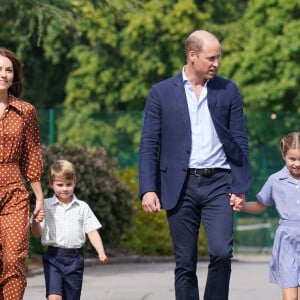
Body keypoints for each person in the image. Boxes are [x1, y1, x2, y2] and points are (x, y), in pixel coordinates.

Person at [138, 30, 252, 300]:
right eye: (211, 58)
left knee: (222, 253)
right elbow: (149, 144)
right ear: (192, 56)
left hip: (219, 183)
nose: (217, 63)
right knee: (185, 262)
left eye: (218, 57)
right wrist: (148, 189)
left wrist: (240, 186)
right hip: (180, 185)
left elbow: (239, 141)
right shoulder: (161, 93)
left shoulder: (228, 90)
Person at [0, 48, 44, 299]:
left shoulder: (25, 111)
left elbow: (32, 155)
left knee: (14, 260)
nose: (4, 74)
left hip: (14, 194)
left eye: (8, 70)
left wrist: (38, 197)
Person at [31, 159, 108, 300]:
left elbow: (92, 231)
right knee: (54, 297)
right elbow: (37, 233)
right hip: (53, 257)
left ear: (74, 183)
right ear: (51, 184)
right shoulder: (45, 206)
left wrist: (101, 252)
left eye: (68, 184)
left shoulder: (82, 207)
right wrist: (36, 220)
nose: (64, 188)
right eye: (60, 185)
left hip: (75, 259)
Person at [241, 132, 300, 300]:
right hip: (287, 242)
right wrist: (241, 206)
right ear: (284, 155)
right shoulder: (275, 180)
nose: (297, 164)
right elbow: (260, 205)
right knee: (290, 296)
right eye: (292, 159)